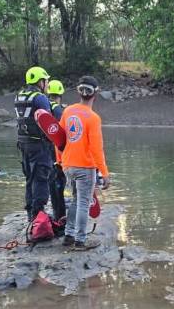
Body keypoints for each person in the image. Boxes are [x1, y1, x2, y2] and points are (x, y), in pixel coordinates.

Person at [59, 76, 110, 250]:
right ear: (95, 93)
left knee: (75, 200)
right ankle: (80, 241)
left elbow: (59, 139)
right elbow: (96, 149)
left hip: (68, 165)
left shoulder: (68, 111)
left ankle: (68, 235)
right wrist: (104, 173)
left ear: (79, 92)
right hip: (85, 167)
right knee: (83, 202)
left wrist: (60, 160)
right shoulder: (93, 118)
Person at [15, 66, 55, 221]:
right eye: (46, 81)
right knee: (40, 178)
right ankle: (39, 215)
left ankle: (30, 214)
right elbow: (49, 123)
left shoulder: (19, 96)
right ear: (41, 81)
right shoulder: (40, 98)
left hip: (24, 145)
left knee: (30, 178)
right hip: (39, 145)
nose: (47, 84)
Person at [47, 80, 67, 229]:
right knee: (59, 185)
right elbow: (63, 133)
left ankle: (56, 216)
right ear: (60, 94)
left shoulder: (44, 107)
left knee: (52, 184)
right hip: (58, 153)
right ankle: (61, 218)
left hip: (45, 151)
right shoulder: (58, 109)